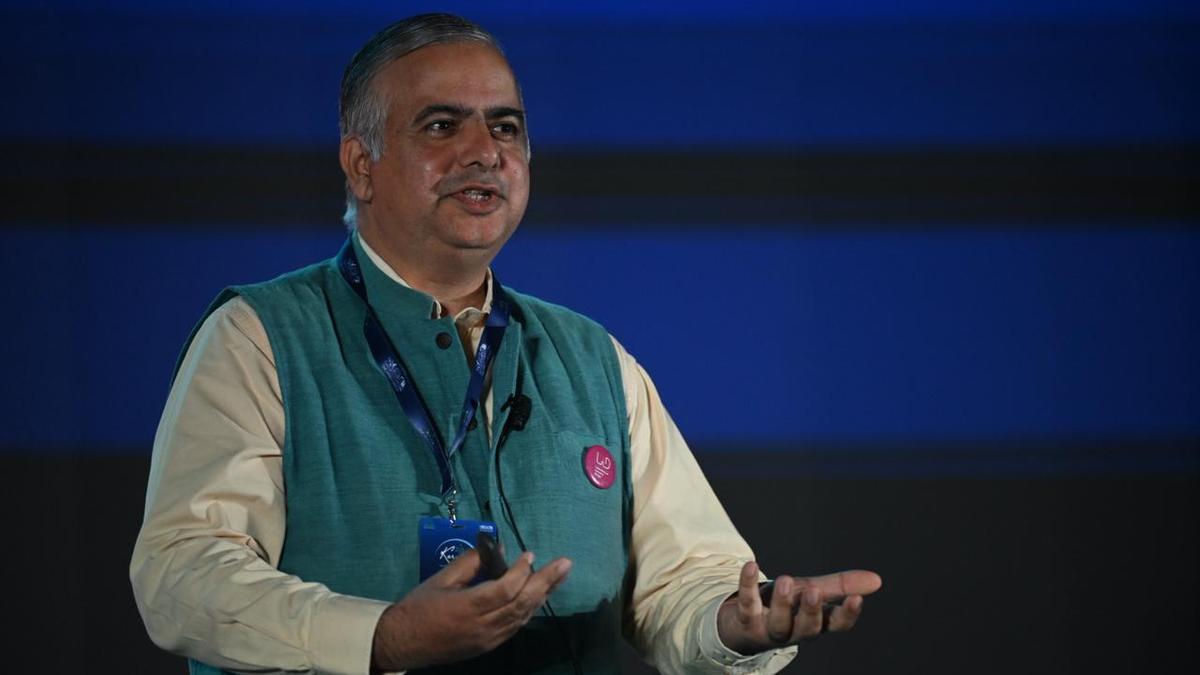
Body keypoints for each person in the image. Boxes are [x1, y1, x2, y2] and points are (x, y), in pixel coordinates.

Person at [130, 13, 881, 675]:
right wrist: (382, 637)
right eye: (441, 125)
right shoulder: (259, 337)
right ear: (362, 165)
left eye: (506, 127)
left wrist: (739, 623)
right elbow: (183, 575)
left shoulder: (593, 359)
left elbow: (682, 583)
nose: (485, 151)